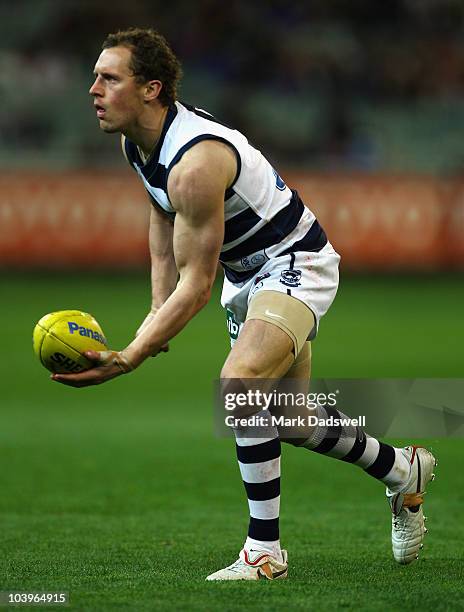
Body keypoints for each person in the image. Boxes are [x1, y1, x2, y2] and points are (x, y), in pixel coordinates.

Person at [52, 27, 436, 581]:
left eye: (109, 78)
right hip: (249, 279)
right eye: (95, 76)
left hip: (293, 261)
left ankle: (264, 553)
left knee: (240, 386)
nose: (93, 88)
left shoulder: (197, 161)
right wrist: (156, 313)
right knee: (288, 419)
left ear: (151, 90)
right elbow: (161, 217)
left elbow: (197, 284)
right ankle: (404, 470)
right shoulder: (137, 143)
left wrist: (132, 354)